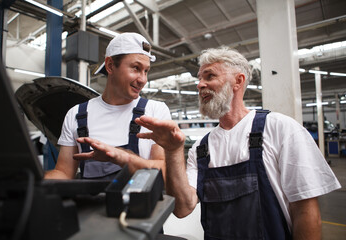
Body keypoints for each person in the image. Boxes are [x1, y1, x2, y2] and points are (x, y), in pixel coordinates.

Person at [135, 46, 341, 239]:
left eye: (210, 75)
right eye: (199, 78)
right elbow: (182, 208)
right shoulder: (201, 149)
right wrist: (173, 151)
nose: (200, 84)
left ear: (238, 81)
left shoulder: (279, 128)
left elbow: (306, 212)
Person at [44, 32, 171, 180]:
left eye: (146, 71)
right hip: (91, 203)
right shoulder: (76, 114)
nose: (143, 79)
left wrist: (123, 157)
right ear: (110, 66)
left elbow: (165, 171)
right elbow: (64, 173)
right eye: (136, 68)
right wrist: (34, 180)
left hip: (138, 203)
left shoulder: (155, 111)